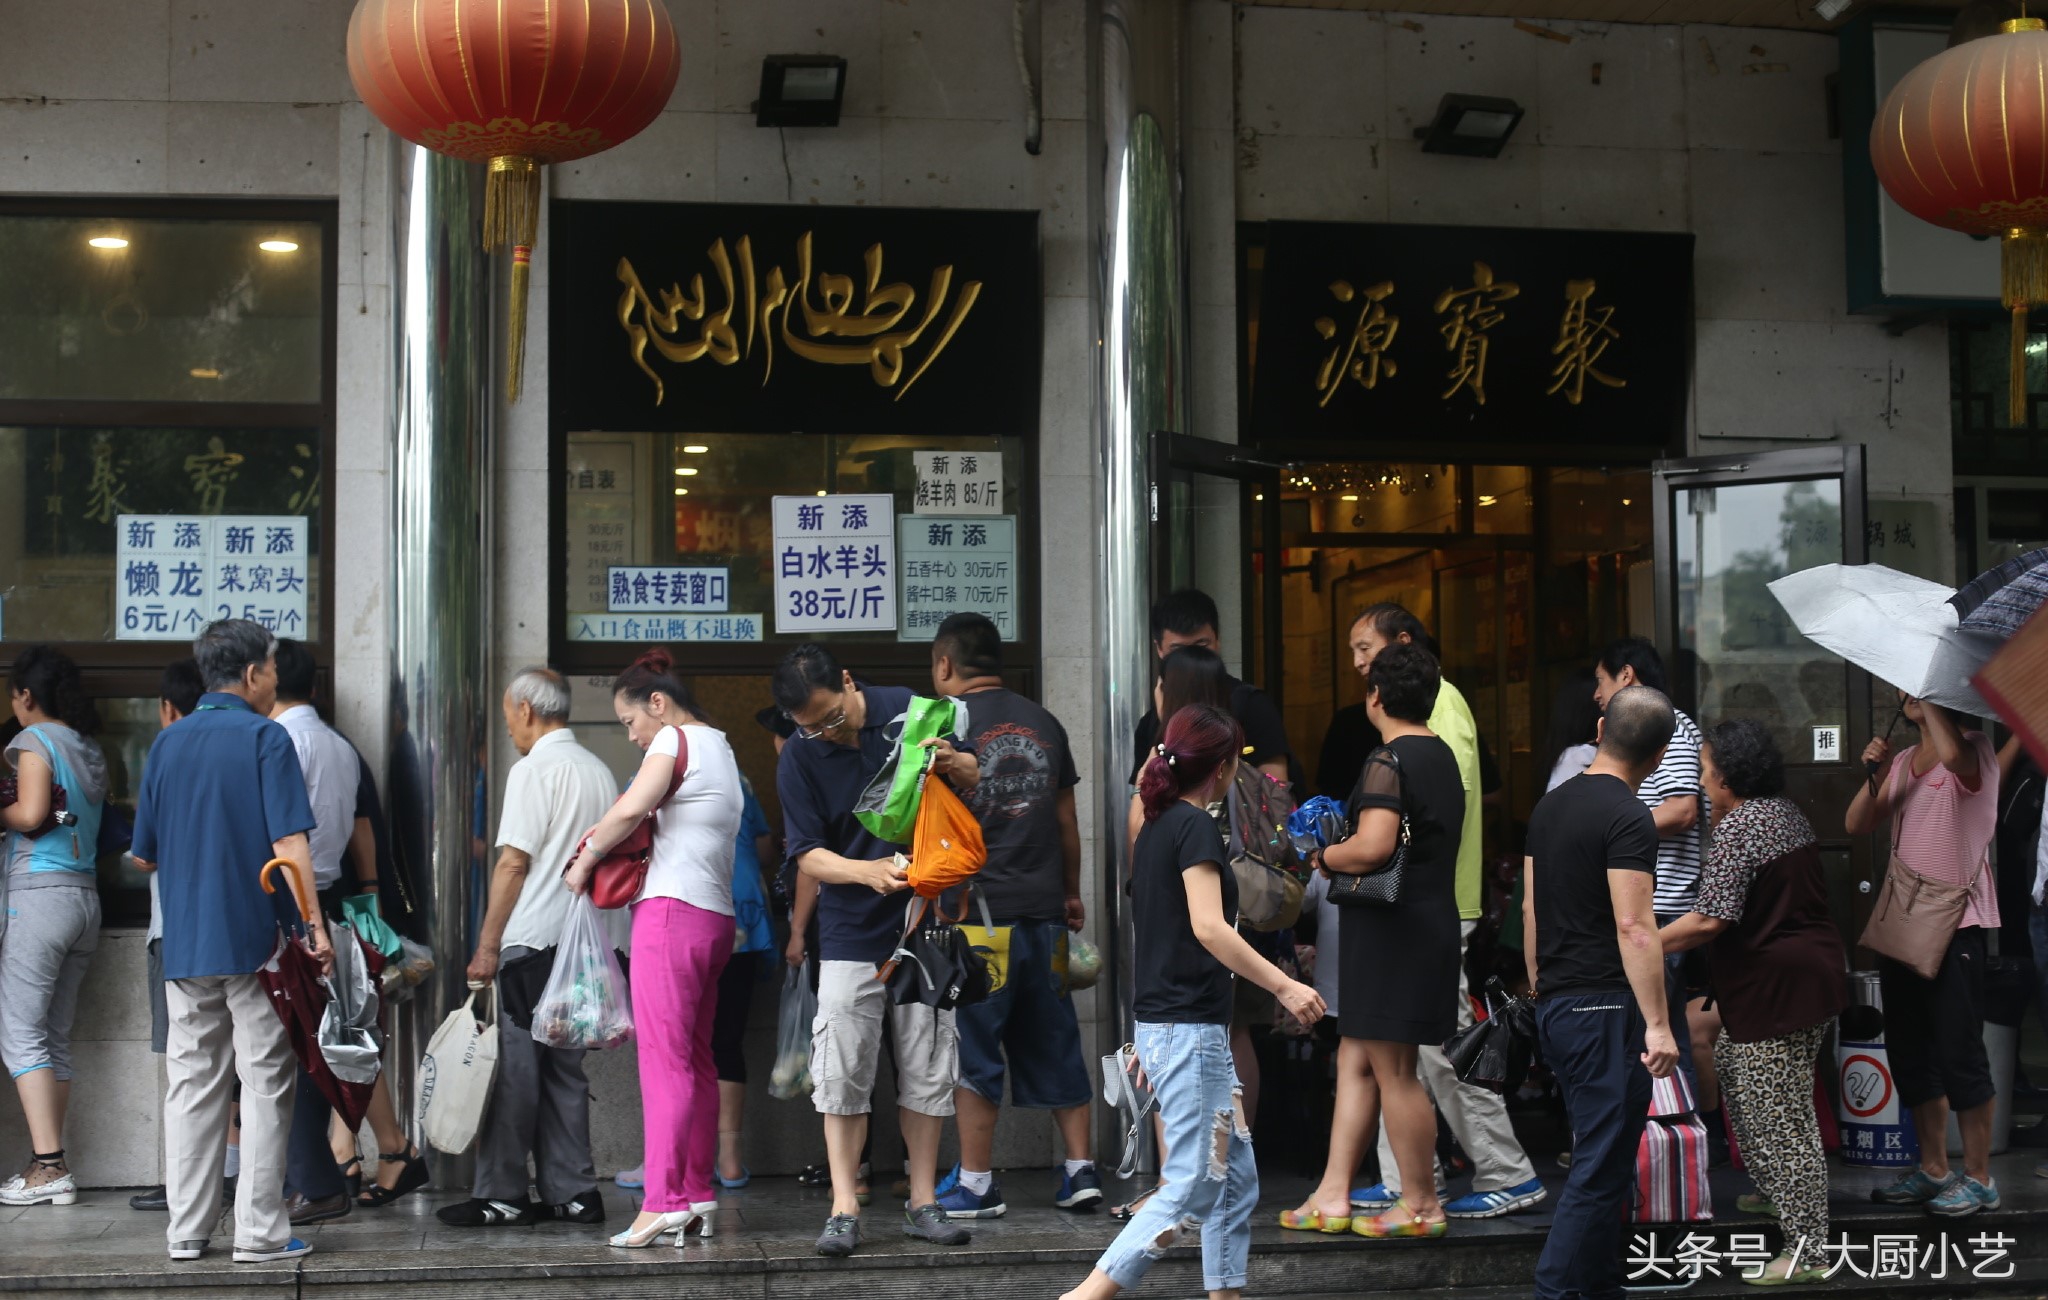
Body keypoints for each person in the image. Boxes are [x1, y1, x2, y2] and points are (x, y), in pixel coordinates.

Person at [1058, 704, 1324, 1300]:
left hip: (1175, 1026)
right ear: (1226, 768)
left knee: (1231, 1180)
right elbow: (1209, 927)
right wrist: (1284, 985)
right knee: (1191, 1184)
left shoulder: (1156, 827)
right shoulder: (1194, 828)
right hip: (1188, 1031)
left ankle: (1222, 1294)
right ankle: (1087, 1295)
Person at [130, 618, 329, 1264]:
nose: (274, 678)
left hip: (186, 944)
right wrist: (315, 928)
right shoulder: (265, 739)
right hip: (256, 941)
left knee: (190, 1084)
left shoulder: (167, 744)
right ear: (250, 675)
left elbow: (145, 856)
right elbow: (290, 845)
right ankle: (259, 1233)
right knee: (266, 1079)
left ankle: (186, 1231)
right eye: (270, 668)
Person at [772, 644, 978, 1257]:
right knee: (841, 1069)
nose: (825, 734)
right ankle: (843, 1205)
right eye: (809, 727)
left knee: (929, 1063)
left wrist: (957, 764)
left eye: (831, 717)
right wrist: (865, 873)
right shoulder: (801, 755)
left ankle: (922, 1202)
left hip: (924, 920)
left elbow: (972, 777)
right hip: (847, 931)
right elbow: (807, 853)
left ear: (848, 681)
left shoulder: (914, 712)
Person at [1347, 605, 1543, 1217]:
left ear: (1402, 646)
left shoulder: (1439, 707)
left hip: (1430, 902)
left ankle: (1506, 1170)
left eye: (1365, 648)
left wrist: (1336, 853)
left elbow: (1433, 804)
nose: (1357, 662)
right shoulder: (1427, 714)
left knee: (1436, 1047)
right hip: (1424, 902)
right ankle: (1404, 1173)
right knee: (1396, 1045)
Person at [565, 649, 744, 1247]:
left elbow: (631, 807)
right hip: (715, 919)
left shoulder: (672, 742)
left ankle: (662, 1201)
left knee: (664, 1064)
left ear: (659, 704)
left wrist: (585, 858)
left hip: (669, 916)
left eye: (630, 722)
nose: (635, 737)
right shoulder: (723, 747)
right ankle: (695, 1194)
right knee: (697, 1062)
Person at [1283, 641, 1461, 1239]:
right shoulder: (1439, 756)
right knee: (1357, 1059)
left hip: (1394, 934)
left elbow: (1374, 846)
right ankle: (1332, 1193)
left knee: (1394, 1071)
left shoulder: (1389, 758)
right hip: (1413, 926)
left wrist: (1323, 855)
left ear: (1376, 695)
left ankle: (1421, 1203)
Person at [924, 614, 1099, 1219]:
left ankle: (975, 1183)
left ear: (946, 664)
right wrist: (1070, 893)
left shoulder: (946, 725)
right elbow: (1066, 823)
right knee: (1056, 1038)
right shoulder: (1045, 723)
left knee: (976, 1046)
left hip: (978, 921)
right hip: (1045, 915)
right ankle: (1080, 1172)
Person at [1660, 719, 1845, 1285]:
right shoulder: (1781, 812)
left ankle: (1809, 1248)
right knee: (1744, 1079)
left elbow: (1711, 919)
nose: (1700, 776)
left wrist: (1637, 944)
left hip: (1779, 987)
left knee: (1781, 1120)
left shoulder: (1742, 826)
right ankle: (1780, 1194)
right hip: (1798, 980)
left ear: (1724, 776)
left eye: (1705, 766)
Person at [438, 668, 616, 1228]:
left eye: (509, 712)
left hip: (533, 942)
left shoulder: (533, 769)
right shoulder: (599, 770)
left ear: (525, 710)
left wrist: (487, 947)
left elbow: (513, 863)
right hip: (587, 946)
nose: (509, 724)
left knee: (514, 1073)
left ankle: (503, 1194)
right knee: (566, 1073)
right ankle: (575, 1193)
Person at [1523, 683, 1681, 1300]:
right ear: (1662, 755)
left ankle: (1598, 1288)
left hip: (1561, 1004)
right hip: (1605, 1008)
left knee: (1606, 1162)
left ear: (1598, 731)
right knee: (1598, 1167)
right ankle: (1555, 1292)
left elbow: (1532, 908)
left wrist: (1540, 984)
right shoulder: (1628, 815)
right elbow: (1635, 924)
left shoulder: (1550, 807)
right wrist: (1660, 1024)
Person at [1846, 690, 2003, 1217]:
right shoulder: (1901, 762)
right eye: (1904, 686)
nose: (1906, 694)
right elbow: (1855, 824)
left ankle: (1979, 1176)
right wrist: (1874, 772)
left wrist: (1928, 702)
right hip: (1906, 926)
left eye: (1921, 686)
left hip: (1959, 925)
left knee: (1960, 1052)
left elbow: (1956, 760)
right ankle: (1934, 1167)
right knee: (1911, 1052)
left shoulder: (1975, 747)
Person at [268, 639, 391, 1226]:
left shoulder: (280, 742)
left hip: (293, 900)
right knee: (319, 1037)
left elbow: (281, 836)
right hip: (332, 900)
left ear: (266, 683)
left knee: (294, 1042)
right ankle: (320, 1171)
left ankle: (313, 1178)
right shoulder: (341, 746)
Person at [0, 647, 109, 1208]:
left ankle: (50, 1165)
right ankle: (50, 1165)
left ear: (26, 696)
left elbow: (31, 813)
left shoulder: (33, 741)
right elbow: (66, 816)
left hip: (40, 897)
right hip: (85, 899)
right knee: (53, 1036)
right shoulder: (87, 749)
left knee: (20, 1033)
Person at [130, 661, 238, 1215]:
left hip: (177, 933)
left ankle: (190, 1194)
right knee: (246, 1065)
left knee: (188, 1065)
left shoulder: (167, 752)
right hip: (242, 932)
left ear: (170, 709)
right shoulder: (250, 743)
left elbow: (143, 849)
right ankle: (231, 1180)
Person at [1592, 638, 1710, 1107]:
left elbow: (1682, 810)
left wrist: (1612, 827)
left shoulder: (1671, 729)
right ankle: (1676, 1147)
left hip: (1660, 909)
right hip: (1650, 907)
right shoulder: (1656, 729)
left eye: (1600, 681)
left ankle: (1664, 1145)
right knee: (1664, 1034)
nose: (1596, 694)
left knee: (1653, 1036)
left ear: (1625, 675)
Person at [709, 762, 777, 1192]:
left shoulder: (651, 774)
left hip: (686, 918)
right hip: (742, 921)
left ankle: (674, 1157)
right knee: (726, 1039)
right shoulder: (738, 779)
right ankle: (730, 1160)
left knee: (677, 1046)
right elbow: (766, 849)